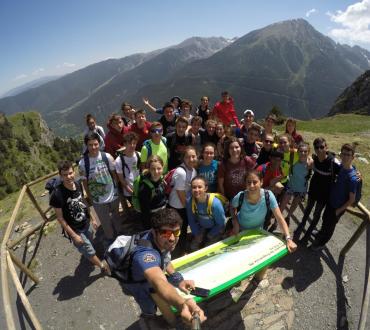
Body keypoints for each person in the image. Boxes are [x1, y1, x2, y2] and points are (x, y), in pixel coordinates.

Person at [121, 208, 206, 325]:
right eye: (165, 233)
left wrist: (179, 280)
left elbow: (165, 261)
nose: (172, 238)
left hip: (148, 273)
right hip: (135, 282)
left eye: (176, 232)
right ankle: (149, 317)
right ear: (154, 232)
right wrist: (182, 304)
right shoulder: (144, 255)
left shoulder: (160, 241)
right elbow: (158, 282)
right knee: (148, 305)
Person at [50, 160, 109, 273]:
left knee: (91, 241)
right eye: (65, 175)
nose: (68, 177)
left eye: (70, 173)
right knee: (88, 249)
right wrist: (73, 235)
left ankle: (92, 256)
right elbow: (60, 218)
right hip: (75, 229)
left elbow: (83, 202)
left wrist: (92, 218)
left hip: (85, 222)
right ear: (60, 176)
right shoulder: (57, 194)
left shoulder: (77, 184)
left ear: (74, 172)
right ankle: (102, 266)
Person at [230, 170, 297, 253]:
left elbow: (279, 218)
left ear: (261, 182)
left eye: (255, 182)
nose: (251, 185)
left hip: (258, 232)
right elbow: (232, 207)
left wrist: (288, 239)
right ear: (245, 184)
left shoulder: (268, 196)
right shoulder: (240, 196)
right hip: (239, 232)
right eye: (248, 182)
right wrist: (235, 220)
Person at [310, 144, 360, 250]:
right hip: (331, 201)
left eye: (348, 155)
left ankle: (321, 243)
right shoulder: (341, 167)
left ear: (352, 157)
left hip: (338, 206)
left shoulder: (352, 178)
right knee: (325, 219)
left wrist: (339, 211)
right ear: (340, 155)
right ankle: (320, 233)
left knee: (330, 226)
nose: (345, 157)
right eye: (343, 154)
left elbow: (352, 199)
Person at [296, 138, 340, 243]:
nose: (320, 150)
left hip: (324, 195)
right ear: (314, 149)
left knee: (317, 214)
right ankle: (301, 225)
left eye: (322, 147)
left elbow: (347, 169)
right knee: (307, 210)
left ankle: (307, 234)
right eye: (317, 147)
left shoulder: (333, 162)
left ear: (326, 147)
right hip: (313, 190)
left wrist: (358, 174)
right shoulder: (314, 158)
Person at [79, 132, 120, 241]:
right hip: (98, 199)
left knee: (117, 218)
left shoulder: (107, 157)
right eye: (90, 145)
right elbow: (84, 183)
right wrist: (90, 198)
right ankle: (112, 241)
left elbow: (114, 175)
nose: (93, 147)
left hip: (113, 195)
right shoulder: (83, 163)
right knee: (106, 223)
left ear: (99, 143)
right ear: (86, 146)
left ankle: (121, 237)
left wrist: (117, 190)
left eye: (95, 144)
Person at [168, 146, 198, 253]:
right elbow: (180, 193)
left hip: (185, 203)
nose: (191, 159)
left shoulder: (193, 170)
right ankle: (178, 250)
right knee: (180, 228)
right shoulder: (181, 172)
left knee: (184, 227)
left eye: (193, 156)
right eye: (187, 157)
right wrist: (188, 208)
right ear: (183, 159)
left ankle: (181, 246)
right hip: (178, 205)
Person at [186, 176, 226, 251]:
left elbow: (221, 223)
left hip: (216, 227)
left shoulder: (215, 204)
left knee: (207, 249)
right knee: (193, 247)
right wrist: (197, 233)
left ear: (206, 188)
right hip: (203, 226)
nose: (196, 190)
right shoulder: (190, 202)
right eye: (194, 187)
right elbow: (191, 220)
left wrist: (210, 234)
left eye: (200, 187)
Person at [279, 142, 313, 225]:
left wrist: (310, 158)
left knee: (295, 203)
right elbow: (290, 151)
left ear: (308, 152)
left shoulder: (310, 163)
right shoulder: (295, 159)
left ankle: (288, 216)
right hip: (291, 185)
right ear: (298, 152)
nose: (303, 153)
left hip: (301, 188)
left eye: (305, 151)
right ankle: (278, 218)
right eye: (301, 151)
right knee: (284, 202)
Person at [137, 155, 167, 229]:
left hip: (162, 215)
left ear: (163, 167)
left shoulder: (162, 180)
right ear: (149, 170)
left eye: (159, 168)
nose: (156, 172)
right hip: (152, 219)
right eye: (153, 169)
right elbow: (145, 212)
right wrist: (149, 228)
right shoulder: (145, 187)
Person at [115, 132, 141, 208]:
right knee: (137, 208)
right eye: (130, 143)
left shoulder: (139, 155)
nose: (132, 146)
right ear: (125, 144)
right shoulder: (119, 161)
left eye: (134, 143)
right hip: (130, 192)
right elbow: (122, 180)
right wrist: (133, 193)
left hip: (140, 188)